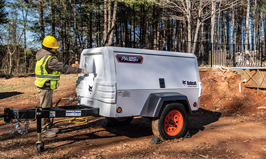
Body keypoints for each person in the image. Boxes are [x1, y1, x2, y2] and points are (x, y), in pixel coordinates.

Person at [35, 35, 86, 138]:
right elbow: (64, 68)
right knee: (45, 108)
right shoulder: (49, 59)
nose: (57, 48)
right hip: (45, 87)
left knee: (47, 107)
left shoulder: (43, 56)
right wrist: (80, 70)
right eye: (55, 47)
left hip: (45, 86)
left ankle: (48, 126)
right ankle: (44, 130)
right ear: (50, 47)